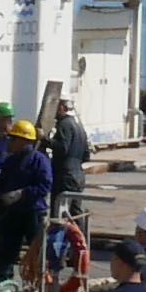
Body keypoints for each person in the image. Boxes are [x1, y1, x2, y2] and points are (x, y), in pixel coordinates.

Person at [0, 103, 50, 283]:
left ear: (24, 141)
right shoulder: (10, 161)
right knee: (8, 246)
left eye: (14, 139)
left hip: (33, 211)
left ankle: (41, 280)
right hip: (13, 212)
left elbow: (45, 185)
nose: (10, 142)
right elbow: (2, 183)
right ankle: (2, 275)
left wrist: (22, 193)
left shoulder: (39, 160)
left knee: (36, 248)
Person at [41, 86, 93, 221]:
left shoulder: (64, 125)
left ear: (62, 107)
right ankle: (80, 239)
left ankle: (57, 241)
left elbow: (62, 148)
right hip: (78, 176)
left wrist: (44, 139)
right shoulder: (78, 126)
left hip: (65, 176)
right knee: (75, 214)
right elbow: (86, 154)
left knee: (58, 213)